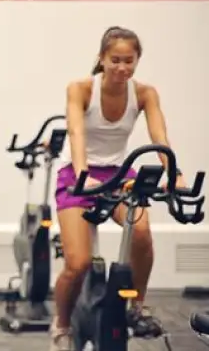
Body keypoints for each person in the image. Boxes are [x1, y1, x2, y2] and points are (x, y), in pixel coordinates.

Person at [49, 26, 186, 351]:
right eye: (115, 60)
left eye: (129, 60)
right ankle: (62, 326)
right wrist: (83, 174)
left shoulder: (144, 93)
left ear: (137, 60)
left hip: (118, 173)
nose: (122, 68)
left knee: (141, 233)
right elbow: (76, 132)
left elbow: (159, 137)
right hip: (77, 175)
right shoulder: (81, 89)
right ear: (101, 59)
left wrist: (175, 174)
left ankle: (137, 308)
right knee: (78, 264)